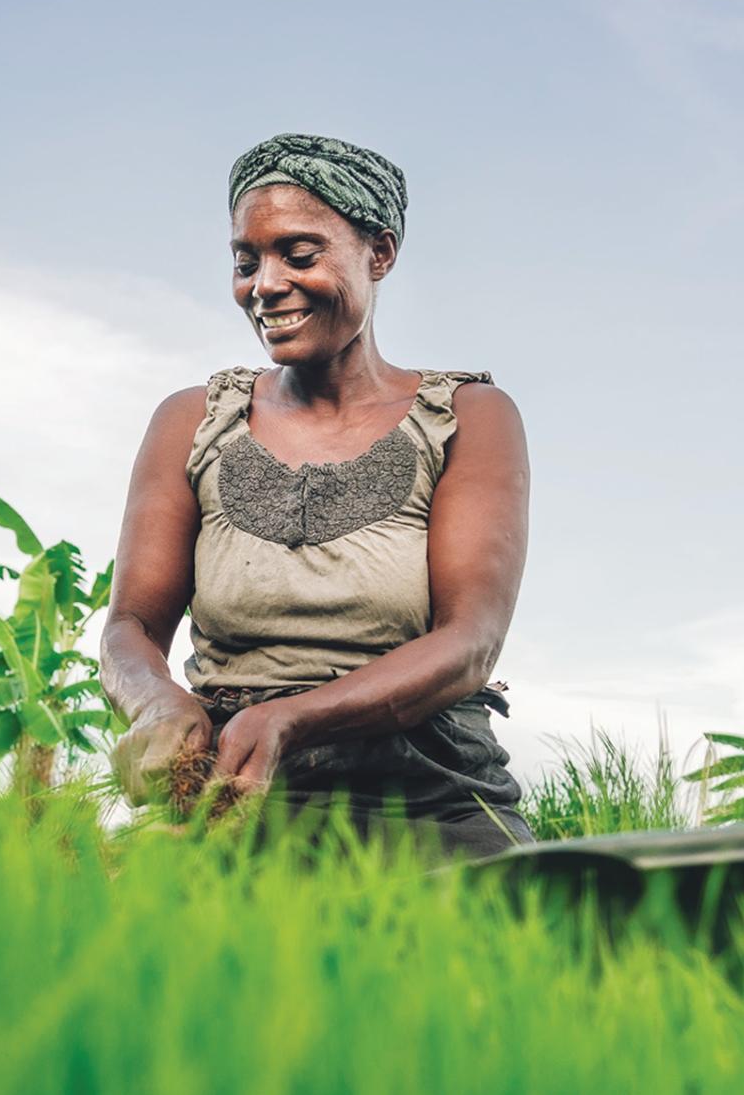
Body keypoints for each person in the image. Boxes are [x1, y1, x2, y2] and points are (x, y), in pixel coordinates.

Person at [99, 131, 533, 858]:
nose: (264, 284)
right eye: (246, 262)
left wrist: (292, 719)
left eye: (299, 255)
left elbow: (469, 643)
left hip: (425, 789)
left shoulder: (468, 418)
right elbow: (129, 628)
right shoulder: (193, 420)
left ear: (381, 253)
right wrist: (159, 702)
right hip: (231, 783)